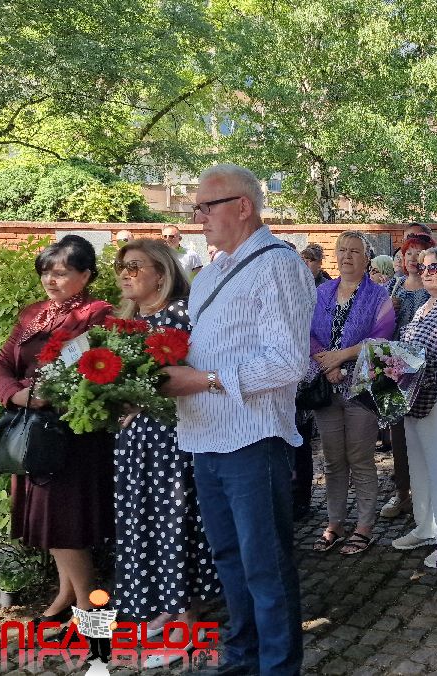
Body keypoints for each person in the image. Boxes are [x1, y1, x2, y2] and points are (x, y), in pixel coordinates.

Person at [162, 163, 313, 675]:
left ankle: (278, 667)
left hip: (253, 439)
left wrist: (202, 380)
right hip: (204, 435)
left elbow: (290, 362)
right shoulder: (210, 273)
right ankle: (242, 657)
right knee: (228, 558)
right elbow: (202, 349)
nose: (198, 217)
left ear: (242, 207)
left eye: (207, 206)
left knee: (264, 564)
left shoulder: (279, 265)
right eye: (197, 208)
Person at [0, 235, 114, 628]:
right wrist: (17, 394)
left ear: (85, 275)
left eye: (61, 273)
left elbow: (92, 369)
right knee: (51, 525)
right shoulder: (33, 314)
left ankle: (91, 612)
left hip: (71, 435)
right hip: (33, 432)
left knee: (65, 526)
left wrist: (47, 394)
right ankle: (66, 595)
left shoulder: (98, 315)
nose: (50, 280)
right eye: (45, 272)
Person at [109, 239, 220, 668]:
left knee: (174, 523)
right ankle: (167, 607)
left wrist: (142, 397)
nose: (125, 273)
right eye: (122, 266)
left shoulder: (180, 316)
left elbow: (191, 377)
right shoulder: (130, 321)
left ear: (161, 273)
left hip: (171, 439)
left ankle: (186, 625)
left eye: (135, 266)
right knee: (146, 523)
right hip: (137, 442)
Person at [309, 231, 396, 556]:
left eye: (354, 251)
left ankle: (364, 526)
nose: (347, 256)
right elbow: (307, 332)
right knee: (332, 460)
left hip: (363, 388)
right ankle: (335, 523)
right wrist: (327, 364)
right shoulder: (321, 292)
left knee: (360, 458)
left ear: (366, 258)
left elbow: (382, 338)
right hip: (325, 386)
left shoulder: (379, 296)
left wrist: (341, 357)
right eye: (342, 250)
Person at [392, 247, 437, 568]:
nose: (425, 272)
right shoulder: (424, 305)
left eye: (433, 268)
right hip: (412, 398)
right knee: (418, 467)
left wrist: (420, 371)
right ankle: (425, 527)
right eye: (423, 268)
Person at [378, 232, 436, 520]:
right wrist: (388, 310)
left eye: (419, 252)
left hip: (428, 368)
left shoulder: (434, 286)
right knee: (398, 434)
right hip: (396, 368)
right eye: (408, 253)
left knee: (427, 432)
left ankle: (431, 494)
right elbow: (378, 326)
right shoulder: (394, 286)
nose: (413, 258)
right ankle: (402, 492)